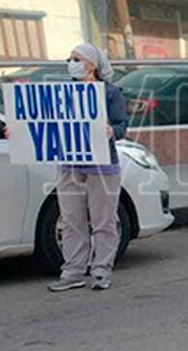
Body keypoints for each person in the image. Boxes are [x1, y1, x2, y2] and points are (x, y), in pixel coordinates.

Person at [48, 44, 129, 292]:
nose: (71, 62)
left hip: (102, 166)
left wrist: (111, 131)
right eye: (70, 57)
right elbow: (47, 121)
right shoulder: (64, 93)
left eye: (76, 58)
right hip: (70, 163)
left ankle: (101, 269)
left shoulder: (110, 93)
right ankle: (73, 271)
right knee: (71, 220)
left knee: (103, 220)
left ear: (91, 65)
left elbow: (122, 125)